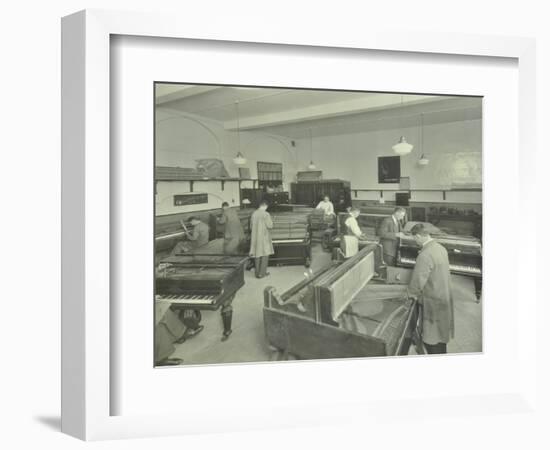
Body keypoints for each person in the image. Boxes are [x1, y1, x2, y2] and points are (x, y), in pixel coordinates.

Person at [407, 223, 454, 355]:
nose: (415, 241)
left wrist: (411, 294)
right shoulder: (440, 247)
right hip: (443, 292)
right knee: (441, 330)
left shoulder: (425, 254)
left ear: (418, 236)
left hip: (433, 298)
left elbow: (417, 281)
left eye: (414, 238)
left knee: (432, 336)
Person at [249, 200, 274, 278]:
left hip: (255, 238)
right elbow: (270, 225)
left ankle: (257, 273)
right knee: (265, 254)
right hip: (264, 237)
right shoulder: (266, 214)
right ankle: (262, 273)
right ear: (265, 206)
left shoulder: (254, 213)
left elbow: (250, 227)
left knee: (257, 254)